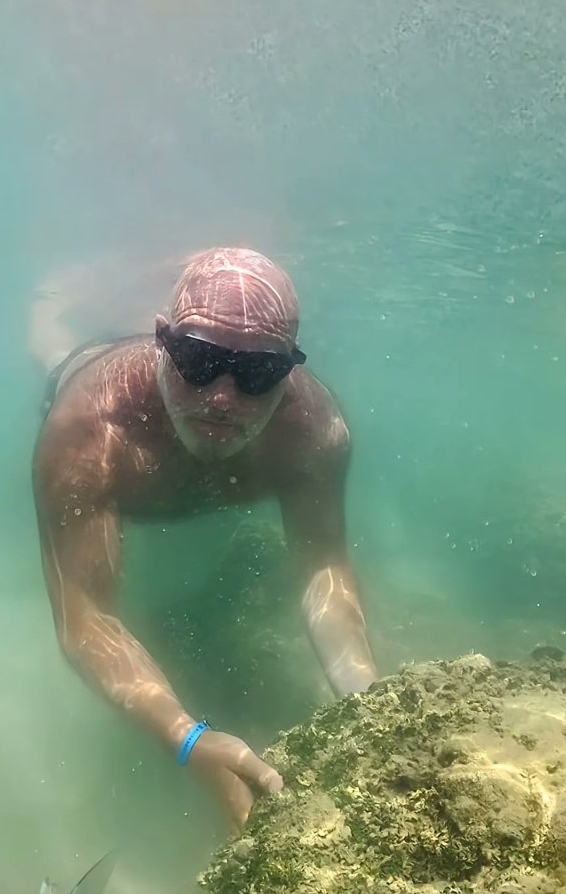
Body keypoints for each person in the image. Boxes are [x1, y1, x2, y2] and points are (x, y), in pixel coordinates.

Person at [31, 246, 377, 829]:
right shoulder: (88, 429)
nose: (222, 397)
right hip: (85, 369)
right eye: (196, 359)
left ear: (290, 369)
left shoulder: (313, 432)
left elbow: (325, 569)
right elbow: (84, 617)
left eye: (257, 374)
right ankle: (48, 314)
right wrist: (185, 737)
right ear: (163, 341)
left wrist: (367, 700)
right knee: (53, 349)